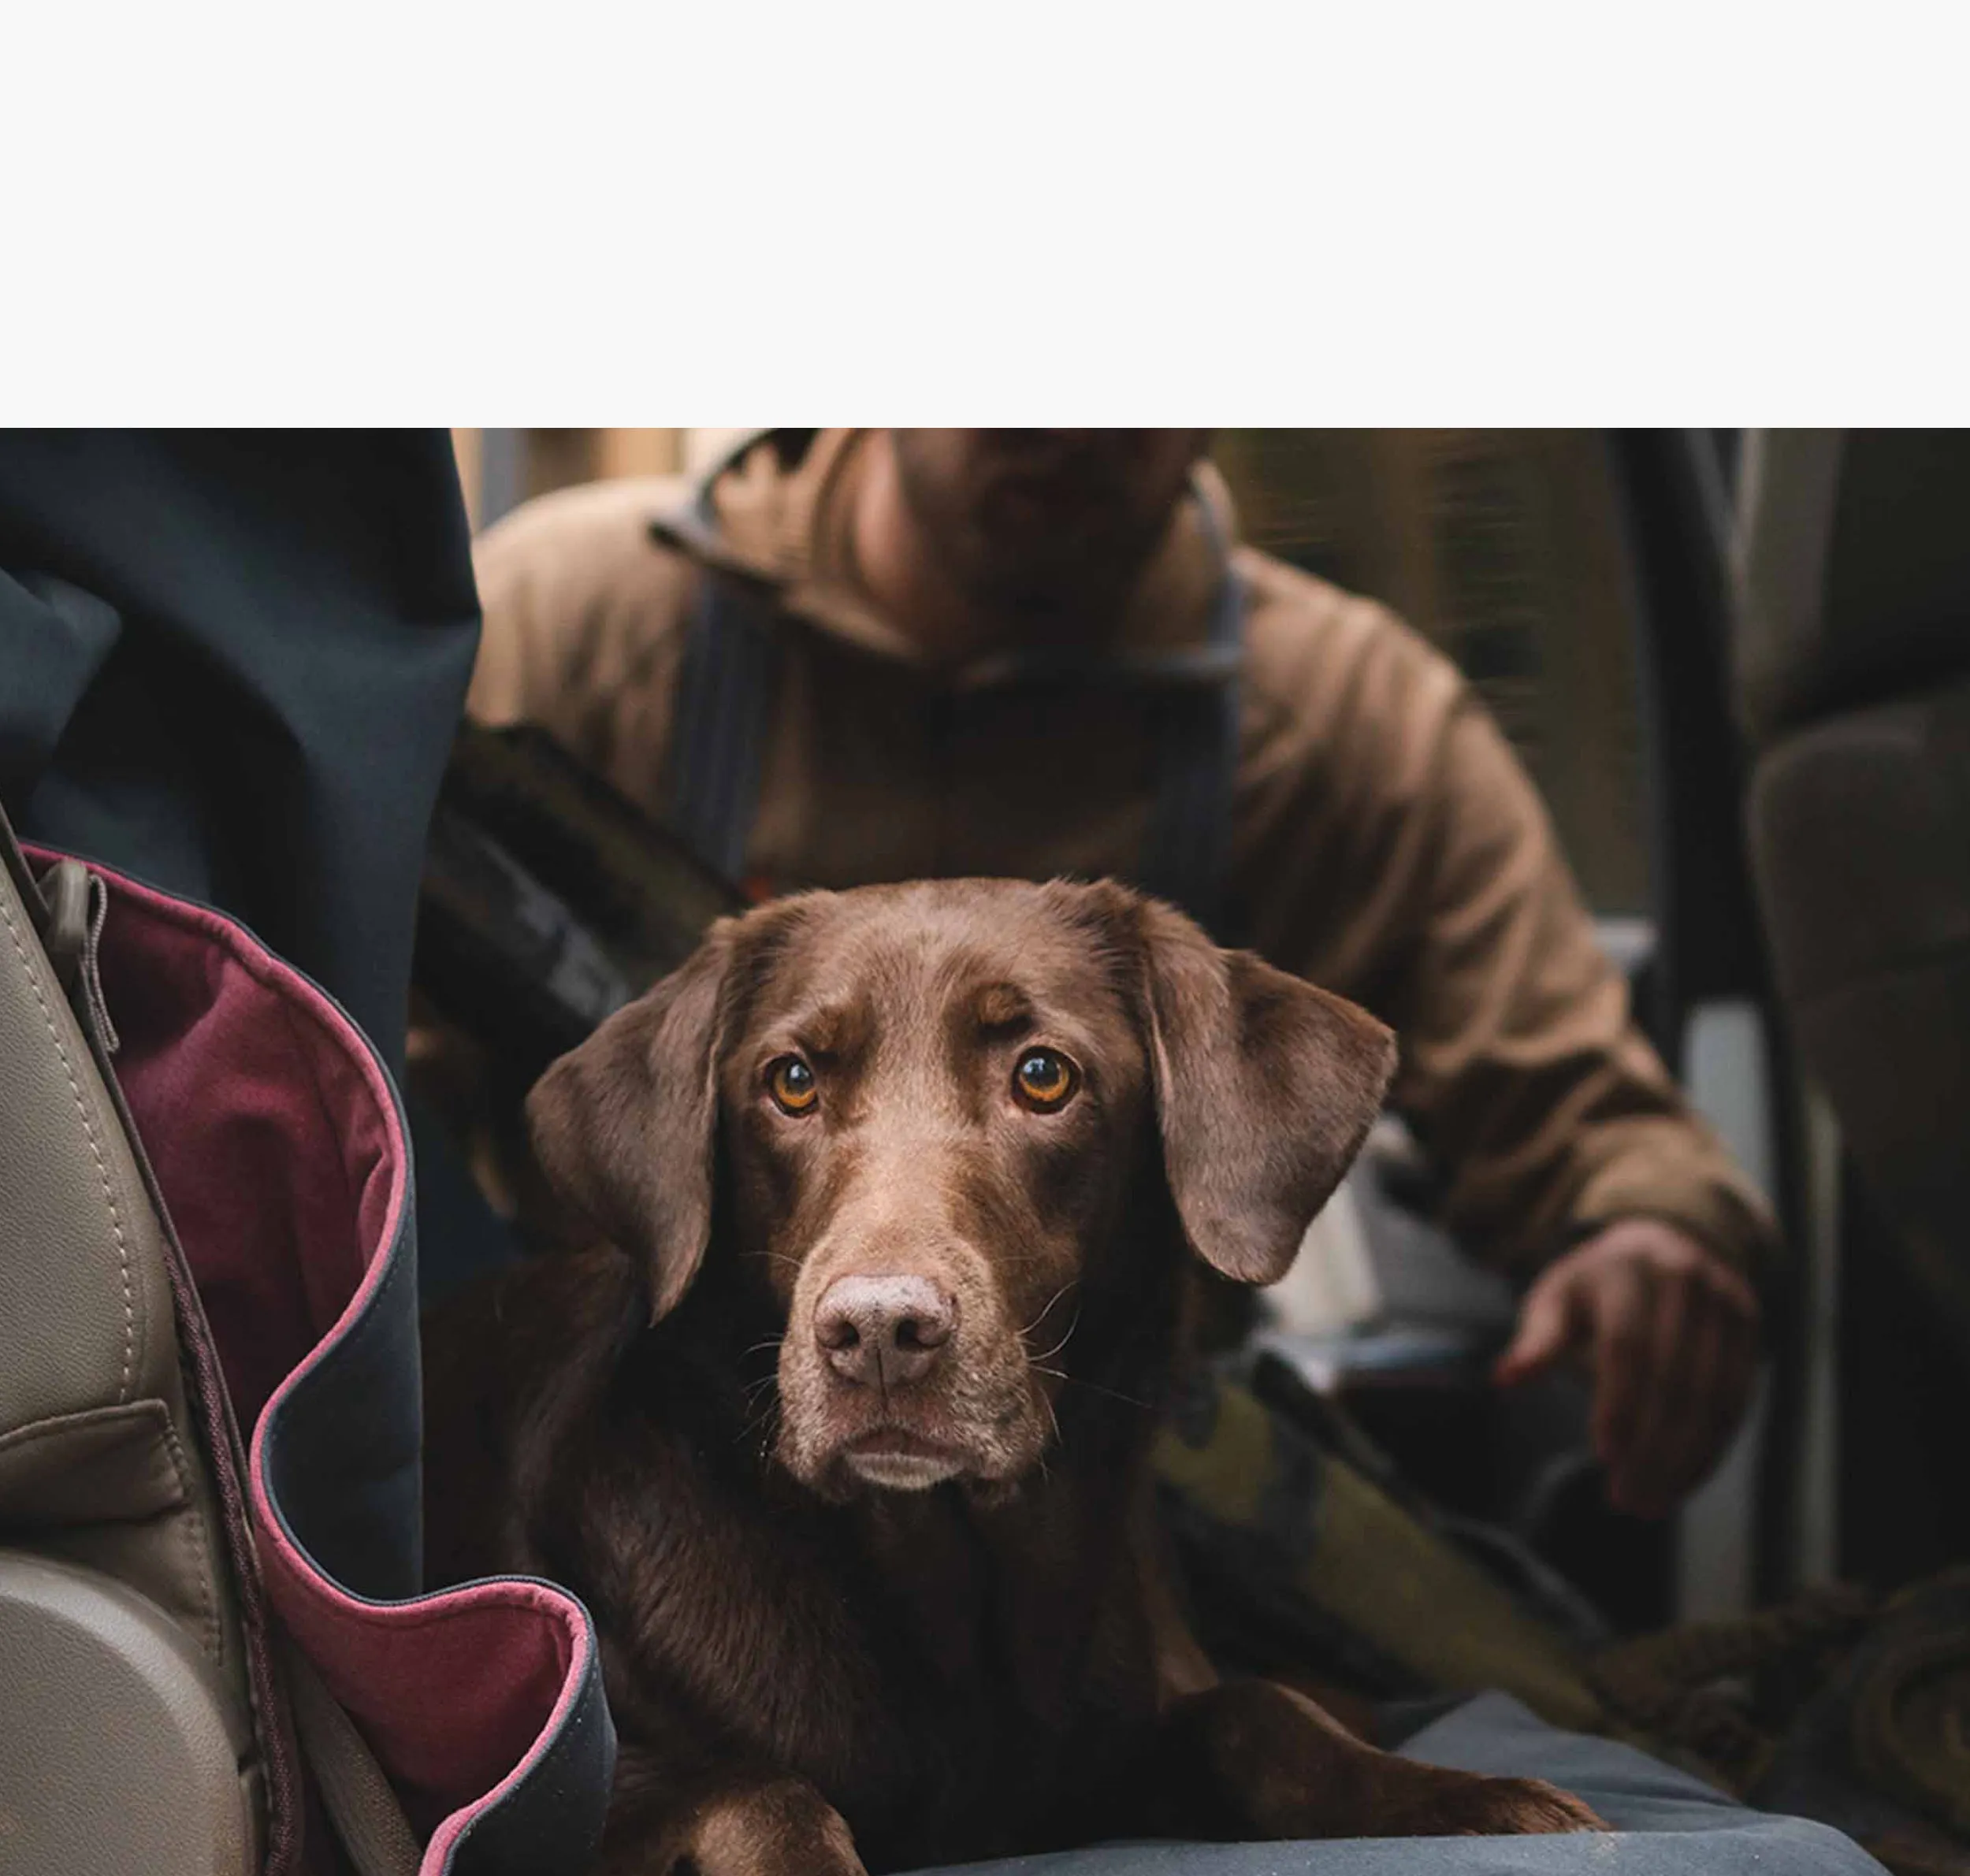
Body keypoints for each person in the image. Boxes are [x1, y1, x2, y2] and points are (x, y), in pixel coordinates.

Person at [468, 429, 1775, 1520]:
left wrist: (1643, 1227)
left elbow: (1582, 1112)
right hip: (632, 1481)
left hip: (1120, 1510)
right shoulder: (564, 625)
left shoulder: (1349, 720)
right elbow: (359, 1074)